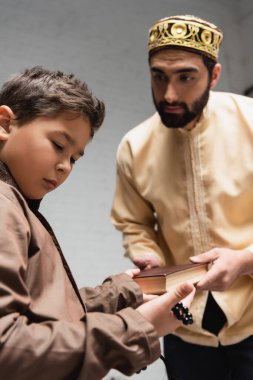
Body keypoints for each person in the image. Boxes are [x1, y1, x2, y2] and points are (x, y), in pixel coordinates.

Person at [0, 66, 196, 380]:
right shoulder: (4, 204)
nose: (64, 166)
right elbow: (8, 349)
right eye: (59, 145)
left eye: (75, 158)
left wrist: (123, 291)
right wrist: (138, 327)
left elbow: (40, 313)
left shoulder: (18, 206)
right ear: (5, 123)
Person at [111, 14, 253, 380]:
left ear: (215, 74)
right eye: (159, 77)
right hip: (184, 327)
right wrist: (148, 255)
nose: (169, 94)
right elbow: (134, 222)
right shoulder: (134, 146)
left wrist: (244, 260)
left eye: (186, 77)